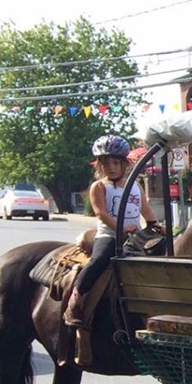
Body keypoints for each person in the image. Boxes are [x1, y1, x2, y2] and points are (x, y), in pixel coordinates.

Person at [67, 135, 157, 326]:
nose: (112, 167)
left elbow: (146, 210)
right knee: (98, 260)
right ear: (100, 165)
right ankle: (75, 299)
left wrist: (155, 225)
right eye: (106, 164)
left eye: (116, 163)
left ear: (124, 163)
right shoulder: (99, 187)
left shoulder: (135, 186)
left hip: (135, 237)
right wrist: (122, 229)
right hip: (109, 235)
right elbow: (102, 214)